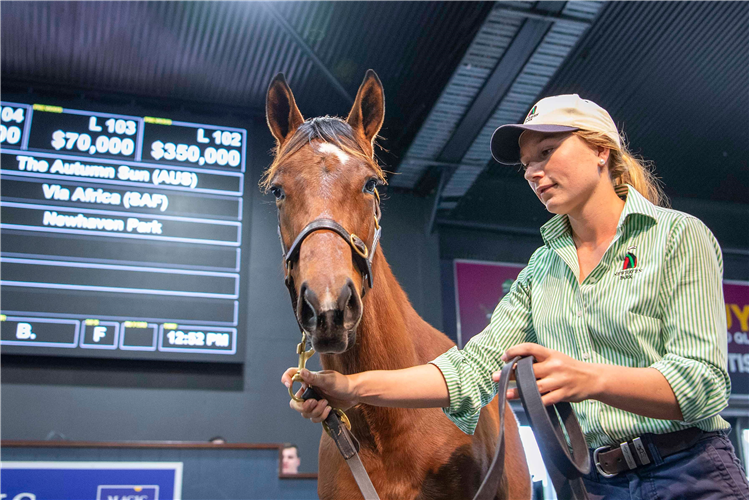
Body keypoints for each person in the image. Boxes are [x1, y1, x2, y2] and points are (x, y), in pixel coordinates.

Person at [282, 94, 749, 499]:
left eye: (547, 151)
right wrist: (351, 388)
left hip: (689, 473)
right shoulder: (540, 272)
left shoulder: (677, 238)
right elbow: (467, 375)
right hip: (597, 486)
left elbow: (704, 384)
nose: (534, 171)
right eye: (527, 163)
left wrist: (588, 379)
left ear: (602, 151)